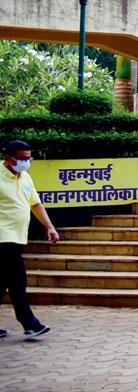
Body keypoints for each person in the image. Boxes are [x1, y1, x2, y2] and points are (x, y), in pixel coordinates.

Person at [1, 140, 57, 340]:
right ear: (8, 158)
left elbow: (36, 204)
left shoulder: (25, 177)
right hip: (3, 237)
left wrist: (49, 226)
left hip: (18, 236)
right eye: (23, 158)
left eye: (29, 158)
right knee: (17, 280)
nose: (26, 162)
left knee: (4, 281)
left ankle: (29, 323)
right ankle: (30, 323)